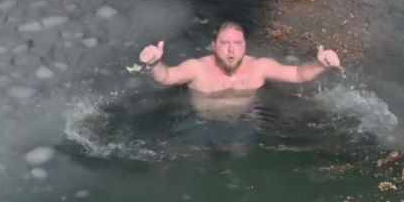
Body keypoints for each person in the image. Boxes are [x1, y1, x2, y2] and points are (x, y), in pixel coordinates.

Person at [139, 22, 341, 118]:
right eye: (224, 43)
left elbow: (298, 75)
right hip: (201, 123)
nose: (231, 49)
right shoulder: (197, 68)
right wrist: (155, 63)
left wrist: (320, 64)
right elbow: (166, 77)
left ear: (245, 46)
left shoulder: (259, 67)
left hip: (244, 121)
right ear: (213, 46)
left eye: (237, 43)